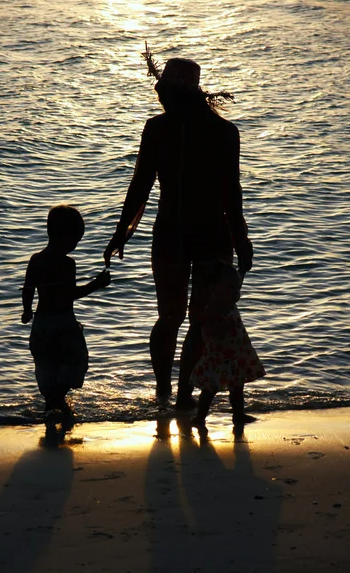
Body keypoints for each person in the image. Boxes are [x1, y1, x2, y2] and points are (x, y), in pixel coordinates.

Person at [104, 47, 253, 409]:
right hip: (188, 234)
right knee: (177, 318)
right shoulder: (196, 131)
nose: (161, 98)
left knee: (190, 318)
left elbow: (230, 193)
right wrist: (122, 230)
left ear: (183, 94)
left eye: (166, 92)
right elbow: (140, 185)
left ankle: (180, 391)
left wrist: (243, 240)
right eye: (159, 92)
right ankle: (165, 391)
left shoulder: (204, 132)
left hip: (193, 234)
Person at [22, 205, 110, 413]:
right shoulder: (67, 264)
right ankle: (57, 401)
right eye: (76, 240)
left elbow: (28, 289)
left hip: (42, 323)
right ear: (66, 236)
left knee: (46, 364)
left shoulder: (36, 260)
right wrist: (96, 285)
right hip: (63, 322)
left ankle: (52, 402)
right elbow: (70, 294)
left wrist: (27, 310)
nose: (76, 245)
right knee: (72, 361)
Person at [190, 262, 265, 425]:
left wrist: (243, 268)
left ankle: (238, 414)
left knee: (237, 388)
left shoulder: (230, 305)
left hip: (235, 356)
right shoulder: (213, 309)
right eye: (230, 288)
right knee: (210, 390)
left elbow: (238, 279)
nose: (236, 292)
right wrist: (223, 326)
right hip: (218, 358)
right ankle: (200, 417)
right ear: (214, 289)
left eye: (237, 288)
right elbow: (210, 330)